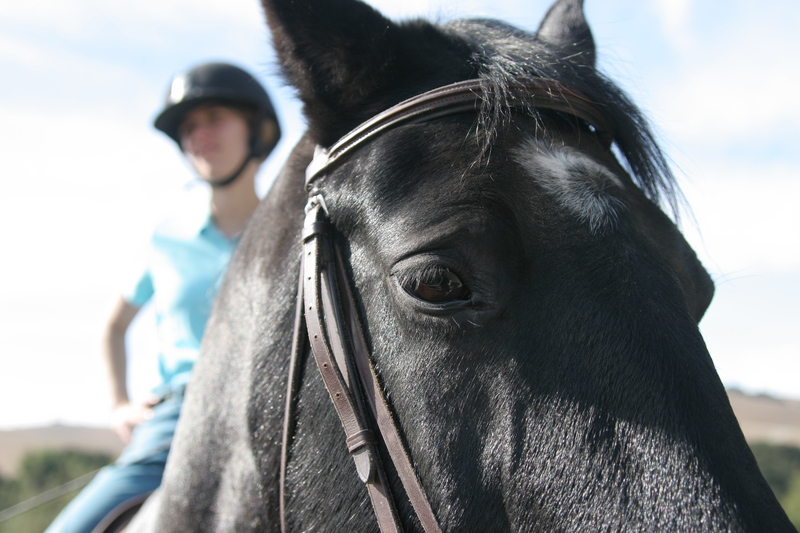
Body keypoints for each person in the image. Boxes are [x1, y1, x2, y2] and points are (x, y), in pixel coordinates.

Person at [45, 62, 281, 533]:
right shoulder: (166, 240)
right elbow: (113, 325)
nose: (199, 134)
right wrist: (119, 404)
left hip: (279, 409)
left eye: (214, 118)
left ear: (258, 131)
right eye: (189, 128)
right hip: (178, 418)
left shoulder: (295, 236)